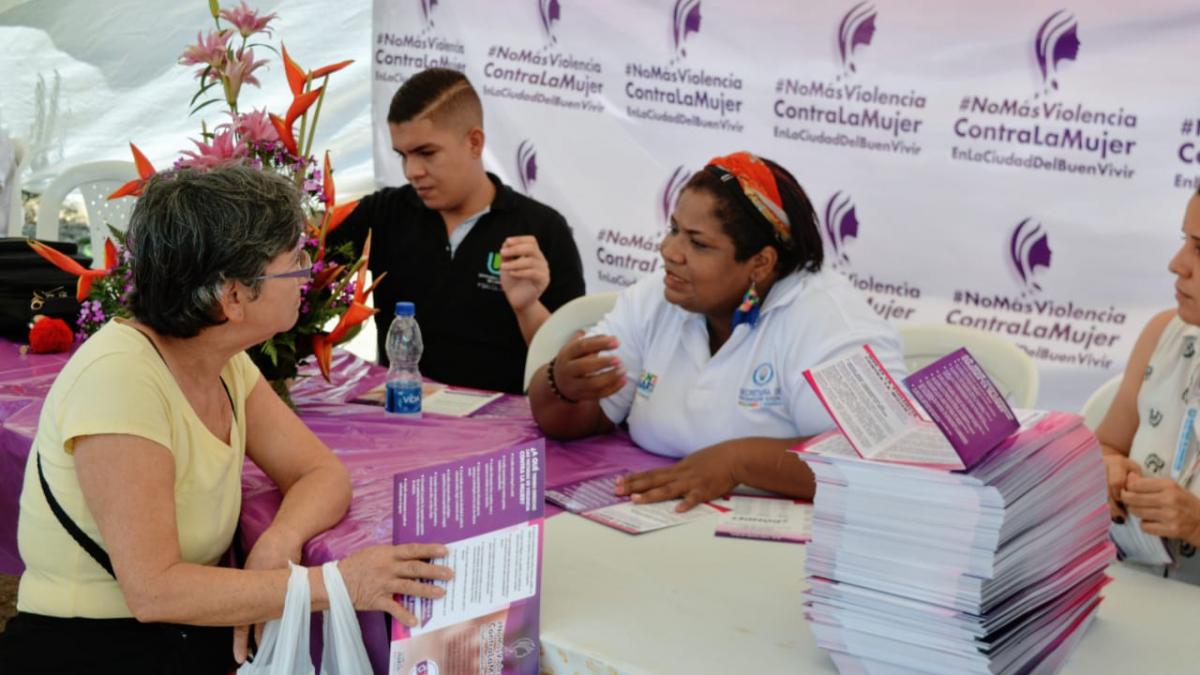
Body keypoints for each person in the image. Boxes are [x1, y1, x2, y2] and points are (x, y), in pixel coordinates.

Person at [0, 167, 452, 674]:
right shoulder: (121, 378)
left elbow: (319, 473)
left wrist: (278, 541)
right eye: (295, 261)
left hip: (183, 638)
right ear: (233, 297)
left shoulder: (221, 360)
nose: (308, 272)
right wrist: (338, 584)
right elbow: (155, 590)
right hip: (90, 650)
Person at [529, 152, 906, 511]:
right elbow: (586, 419)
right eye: (674, 229)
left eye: (698, 243)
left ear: (760, 263)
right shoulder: (655, 300)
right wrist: (560, 384)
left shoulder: (827, 319)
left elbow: (879, 458)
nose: (669, 251)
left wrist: (737, 462)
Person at [328, 68, 585, 394]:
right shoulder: (383, 213)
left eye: (426, 153)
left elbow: (570, 369)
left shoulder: (542, 229)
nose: (411, 171)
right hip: (399, 425)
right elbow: (299, 278)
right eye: (402, 155)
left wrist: (527, 307)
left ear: (474, 142)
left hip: (507, 431)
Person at [1097, 187, 1200, 584]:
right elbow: (1106, 445)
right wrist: (1107, 470)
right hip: (1132, 591)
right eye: (1184, 241)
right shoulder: (1163, 334)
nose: (1177, 265)